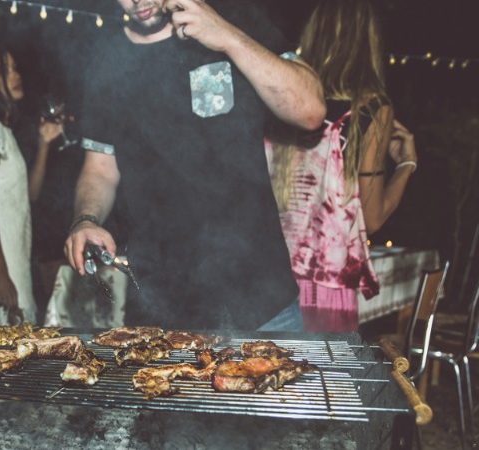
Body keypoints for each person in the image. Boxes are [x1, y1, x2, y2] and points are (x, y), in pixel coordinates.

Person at [64, 0, 326, 331]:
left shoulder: (232, 18)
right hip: (161, 306)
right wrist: (85, 219)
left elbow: (310, 109)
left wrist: (227, 37)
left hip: (261, 296)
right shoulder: (105, 60)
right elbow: (100, 168)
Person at [265, 0, 418, 332]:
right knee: (320, 382)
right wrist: (406, 164)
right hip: (325, 284)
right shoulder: (371, 108)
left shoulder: (280, 98)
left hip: (265, 278)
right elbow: (372, 218)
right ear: (369, 42)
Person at [0, 41, 63, 324]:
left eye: (15, 68)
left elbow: (30, 195)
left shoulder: (4, 130)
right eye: (7, 69)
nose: (17, 75)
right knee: (2, 344)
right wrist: (2, 276)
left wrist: (43, 144)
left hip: (14, 253)